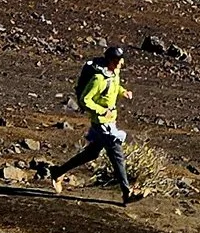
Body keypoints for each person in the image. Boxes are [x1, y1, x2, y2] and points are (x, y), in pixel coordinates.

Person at [50, 43, 140, 203]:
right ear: (111, 60)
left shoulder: (114, 73)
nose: (121, 63)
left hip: (110, 121)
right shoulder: (98, 79)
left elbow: (114, 86)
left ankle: (58, 172)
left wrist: (123, 91)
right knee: (116, 153)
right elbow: (85, 100)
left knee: (92, 153)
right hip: (101, 123)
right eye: (118, 60)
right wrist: (101, 111)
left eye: (121, 59)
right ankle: (127, 192)